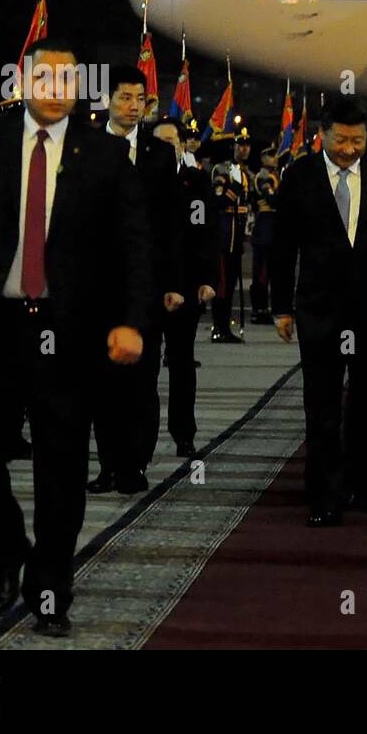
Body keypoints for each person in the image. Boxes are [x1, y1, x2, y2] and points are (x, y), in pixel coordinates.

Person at [0, 37, 152, 636]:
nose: (56, 90)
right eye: (44, 78)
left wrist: (132, 320)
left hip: (69, 334)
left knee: (61, 469)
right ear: (23, 82)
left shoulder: (105, 155)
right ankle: (7, 551)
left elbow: (134, 246)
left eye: (67, 80)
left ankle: (50, 589)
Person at [270, 97, 367, 526]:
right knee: (322, 406)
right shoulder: (299, 176)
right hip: (320, 309)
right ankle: (323, 495)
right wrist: (280, 307)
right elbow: (283, 246)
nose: (350, 149)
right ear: (322, 135)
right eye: (341, 140)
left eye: (358, 141)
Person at [90, 66, 182, 496]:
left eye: (139, 99)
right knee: (103, 381)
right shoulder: (88, 148)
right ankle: (109, 465)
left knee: (142, 381)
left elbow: (172, 223)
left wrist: (174, 282)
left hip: (147, 285)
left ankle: (135, 464)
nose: (132, 106)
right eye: (124, 97)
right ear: (107, 100)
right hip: (99, 286)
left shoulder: (159, 154)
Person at [152, 118, 217, 457]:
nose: (164, 149)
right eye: (157, 143)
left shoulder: (195, 180)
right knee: (144, 368)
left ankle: (183, 433)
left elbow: (206, 232)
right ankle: (139, 443)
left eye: (170, 142)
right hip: (149, 285)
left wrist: (208, 278)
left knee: (181, 362)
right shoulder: (137, 177)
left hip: (187, 282)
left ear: (180, 146)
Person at [211, 133, 251, 342]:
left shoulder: (247, 173)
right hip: (223, 237)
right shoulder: (222, 169)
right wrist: (234, 189)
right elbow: (218, 200)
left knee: (231, 284)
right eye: (240, 145)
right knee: (222, 285)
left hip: (236, 238)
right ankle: (219, 328)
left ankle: (225, 326)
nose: (243, 149)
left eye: (246, 146)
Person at [248, 155, 280, 325]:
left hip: (273, 229)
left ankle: (269, 308)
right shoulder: (264, 177)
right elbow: (272, 200)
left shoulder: (275, 175)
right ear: (263, 158)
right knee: (262, 273)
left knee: (272, 272)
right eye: (271, 155)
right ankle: (259, 309)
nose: (275, 158)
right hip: (264, 228)